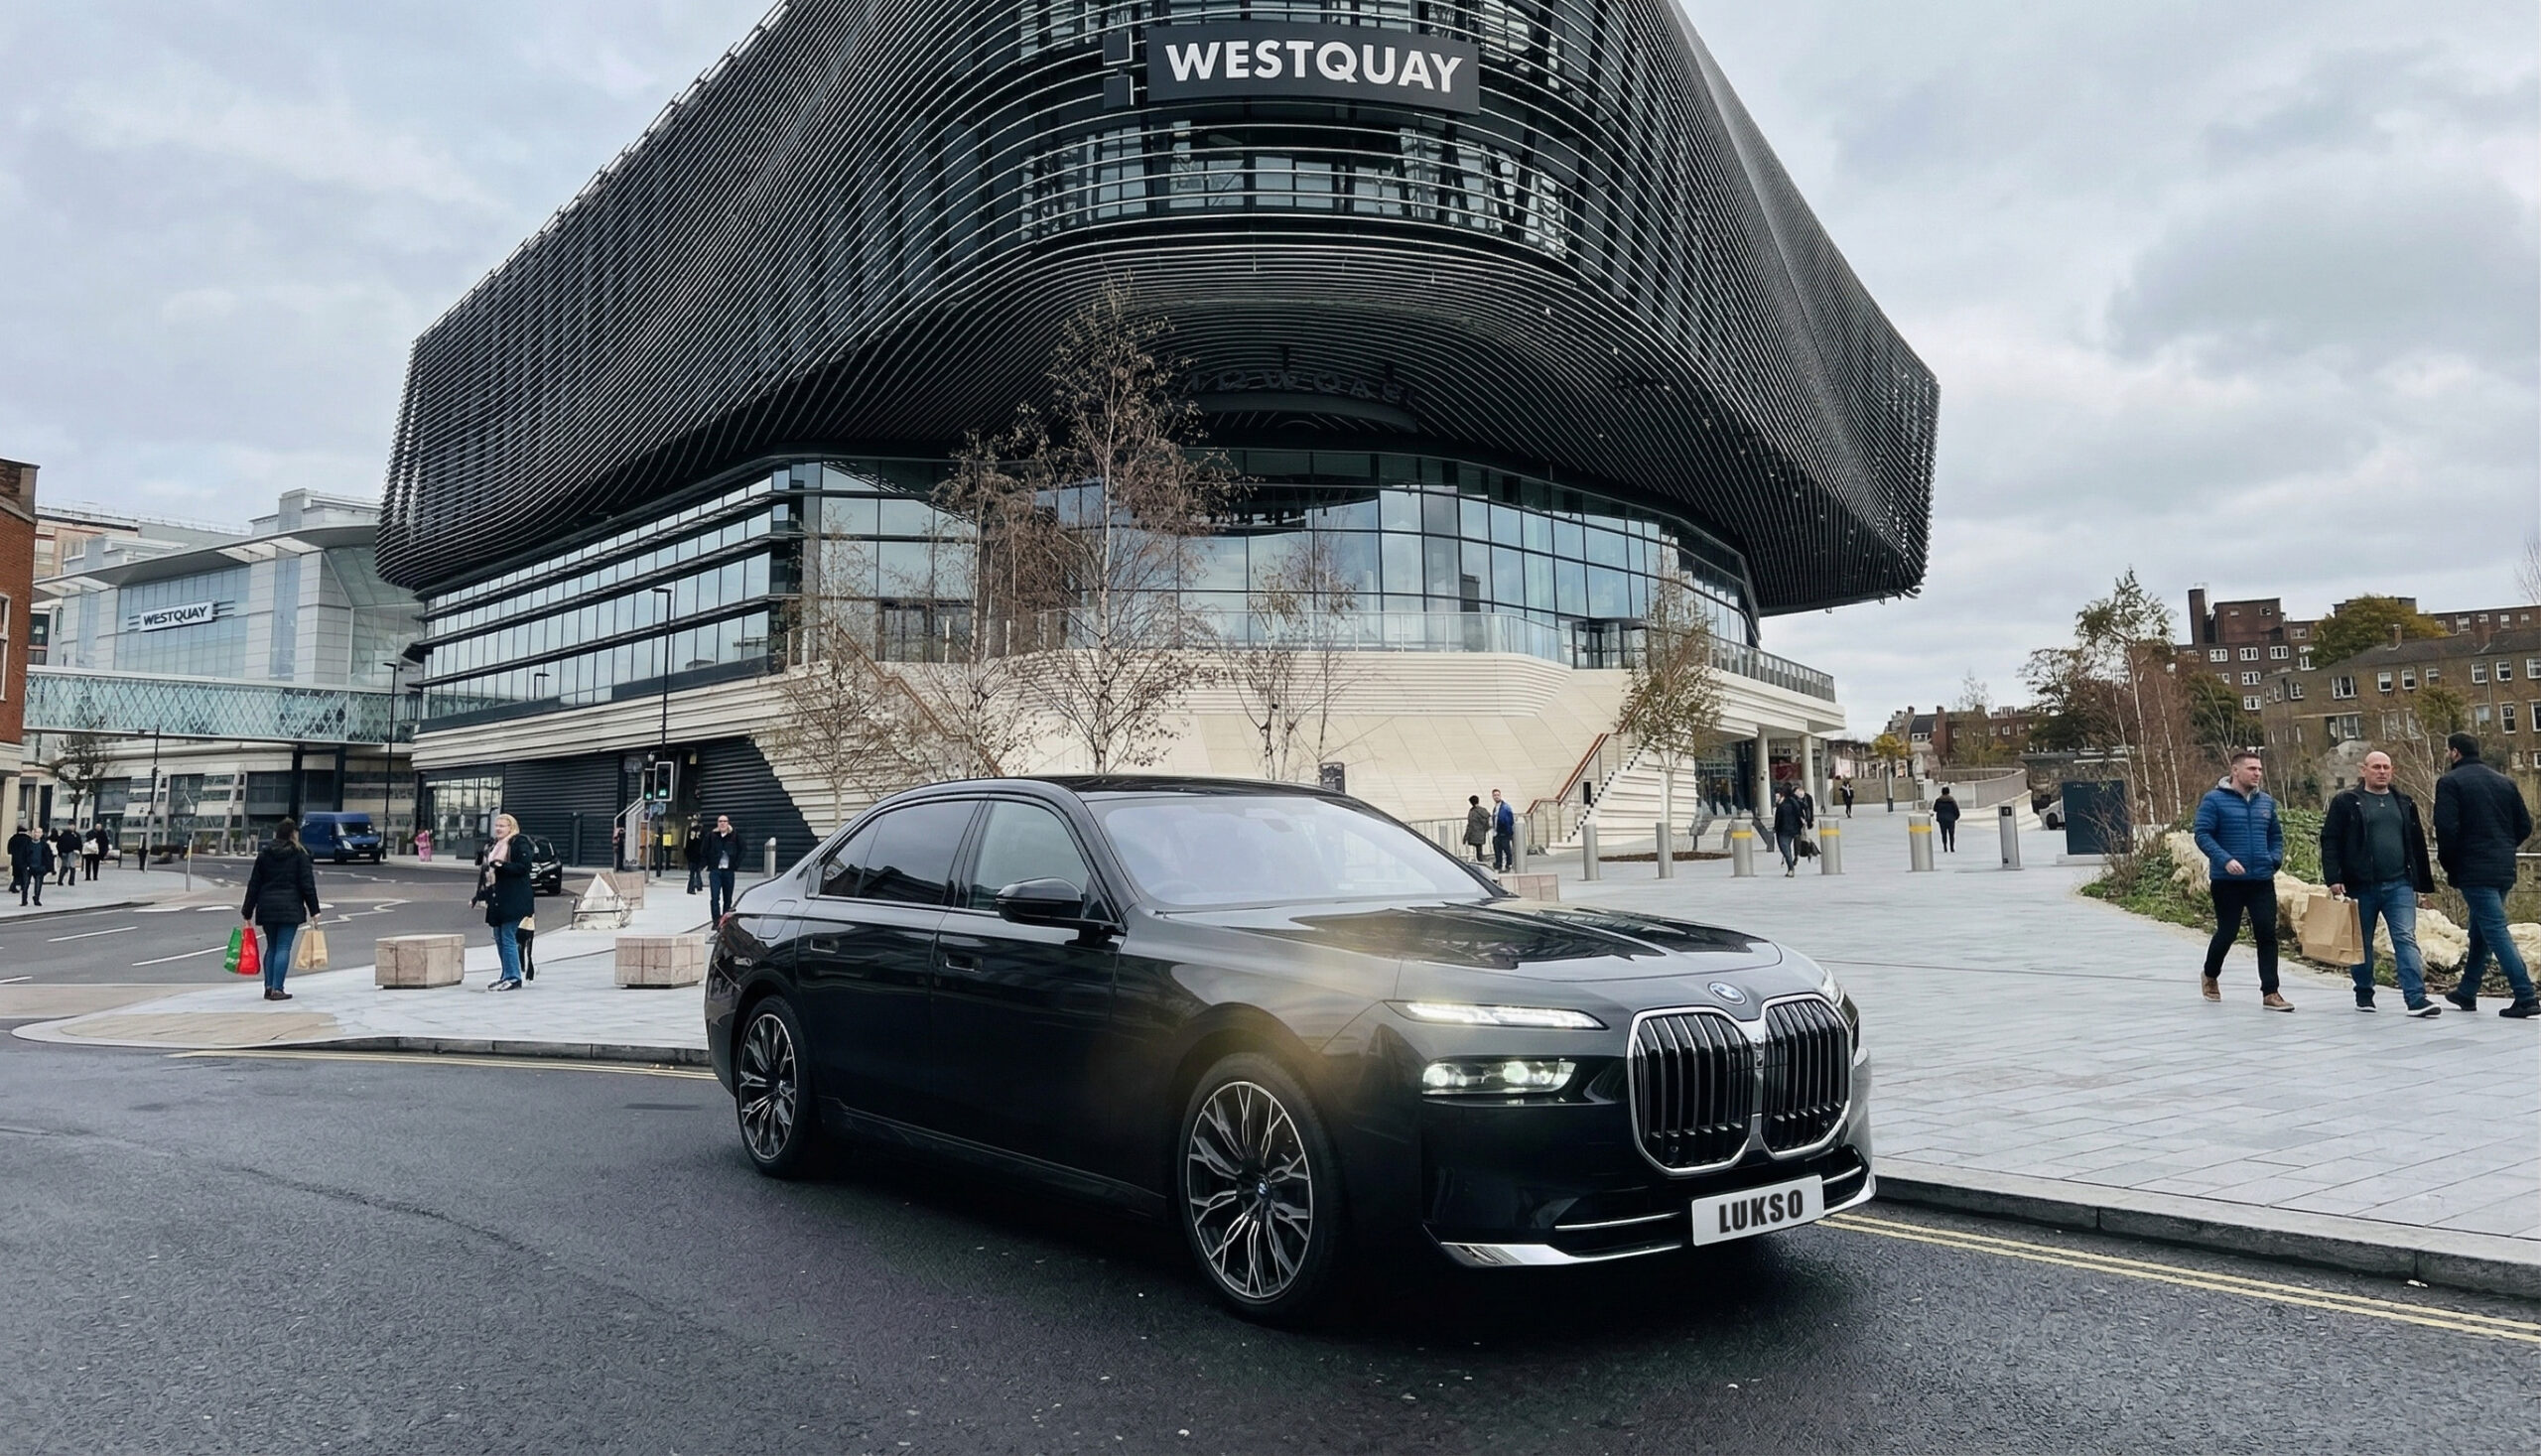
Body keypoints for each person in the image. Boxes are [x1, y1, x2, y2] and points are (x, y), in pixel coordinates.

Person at [2321, 750, 2440, 1015]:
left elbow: (2416, 843)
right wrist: (2334, 877)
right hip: (2361, 885)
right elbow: (2330, 840)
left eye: (2386, 767)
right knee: (2361, 942)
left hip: (2399, 884)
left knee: (2405, 938)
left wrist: (2419, 880)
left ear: (2392, 770)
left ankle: (2416, 998)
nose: (2382, 771)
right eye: (2376, 767)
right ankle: (2364, 992)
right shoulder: (2347, 802)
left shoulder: (2404, 802)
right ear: (2364, 770)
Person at [2433, 732, 2537, 1017]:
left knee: (2494, 930)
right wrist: (2502, 847)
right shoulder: (2504, 782)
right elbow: (2525, 825)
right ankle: (2467, 991)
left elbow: (2447, 830)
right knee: (2479, 929)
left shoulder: (2450, 783)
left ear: (2455, 753)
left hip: (2473, 868)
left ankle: (2526, 995)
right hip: (2503, 867)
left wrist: (2450, 863)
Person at [2196, 749, 2291, 1011]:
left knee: (2266, 933)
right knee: (2228, 932)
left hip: (2261, 878)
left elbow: (2276, 836)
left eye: (2259, 769)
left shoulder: (2266, 803)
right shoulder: (2214, 801)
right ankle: (2210, 974)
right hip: (2227, 880)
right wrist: (2224, 859)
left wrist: (2274, 859)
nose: (2257, 774)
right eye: (2252, 769)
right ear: (2235, 771)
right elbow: (2203, 834)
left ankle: (2271, 992)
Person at [240, 821, 321, 1002]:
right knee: (283, 947)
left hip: (267, 907)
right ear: (293, 834)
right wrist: (314, 910)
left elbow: (254, 884)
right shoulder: (300, 855)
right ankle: (278, 989)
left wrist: (247, 911)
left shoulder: (264, 854)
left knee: (272, 947)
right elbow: (307, 884)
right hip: (290, 907)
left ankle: (269, 987)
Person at [476, 812, 536, 992]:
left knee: (508, 936)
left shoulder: (518, 842)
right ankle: (506, 975)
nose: (498, 829)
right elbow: (486, 874)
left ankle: (513, 977)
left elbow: (524, 867)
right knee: (499, 937)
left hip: (514, 898)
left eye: (502, 826)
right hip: (498, 899)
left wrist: (502, 866)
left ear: (512, 827)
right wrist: (478, 896)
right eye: (497, 826)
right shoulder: (495, 846)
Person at [705, 813, 744, 919]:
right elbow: (704, 850)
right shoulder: (711, 836)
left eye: (724, 821)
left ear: (728, 823)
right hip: (715, 871)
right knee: (715, 897)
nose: (722, 823)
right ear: (717, 823)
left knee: (728, 898)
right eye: (720, 821)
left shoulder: (734, 835)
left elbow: (743, 849)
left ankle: (725, 921)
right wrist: (709, 862)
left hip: (728, 871)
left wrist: (736, 864)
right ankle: (716, 920)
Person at [1772, 785, 1806, 876]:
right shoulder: (1794, 802)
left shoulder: (1782, 805)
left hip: (1784, 831)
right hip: (1794, 830)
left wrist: (1775, 828)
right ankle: (1793, 860)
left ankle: (1791, 868)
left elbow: (1778, 819)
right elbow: (1800, 814)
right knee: (1787, 848)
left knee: (1785, 849)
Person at [1490, 790, 1516, 872]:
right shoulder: (1496, 807)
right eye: (1495, 795)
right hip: (1497, 832)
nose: (1496, 796)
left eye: (1498, 795)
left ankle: (1508, 864)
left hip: (1504, 832)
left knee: (1506, 848)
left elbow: (1509, 820)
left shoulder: (1505, 807)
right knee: (1497, 849)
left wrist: (1508, 832)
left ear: (1500, 795)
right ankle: (1499, 864)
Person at [1462, 795, 1491, 863]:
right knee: (1479, 850)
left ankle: (1476, 863)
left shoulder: (1472, 812)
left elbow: (1470, 825)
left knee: (1473, 852)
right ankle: (1481, 862)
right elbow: (1488, 823)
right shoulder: (1484, 811)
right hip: (1481, 834)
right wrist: (1485, 830)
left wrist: (1465, 837)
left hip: (1473, 834)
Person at [1933, 787, 1960, 853]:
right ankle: (1952, 847)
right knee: (1951, 833)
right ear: (1948, 792)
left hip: (1942, 819)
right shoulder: (1952, 800)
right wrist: (1956, 817)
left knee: (1943, 833)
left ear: (1942, 792)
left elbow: (1935, 809)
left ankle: (1945, 846)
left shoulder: (1938, 800)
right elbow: (1956, 809)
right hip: (1951, 819)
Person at [7, 825, 31, 901]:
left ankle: (13, 886)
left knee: (16, 873)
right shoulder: (27, 839)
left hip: (15, 859)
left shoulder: (13, 838)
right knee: (24, 873)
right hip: (24, 859)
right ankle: (23, 886)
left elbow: (9, 849)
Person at [684, 817, 706, 895]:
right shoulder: (702, 831)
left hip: (692, 855)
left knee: (693, 872)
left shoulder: (690, 830)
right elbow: (703, 844)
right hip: (698, 854)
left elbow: (688, 844)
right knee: (696, 871)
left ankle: (692, 888)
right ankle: (697, 886)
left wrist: (686, 853)